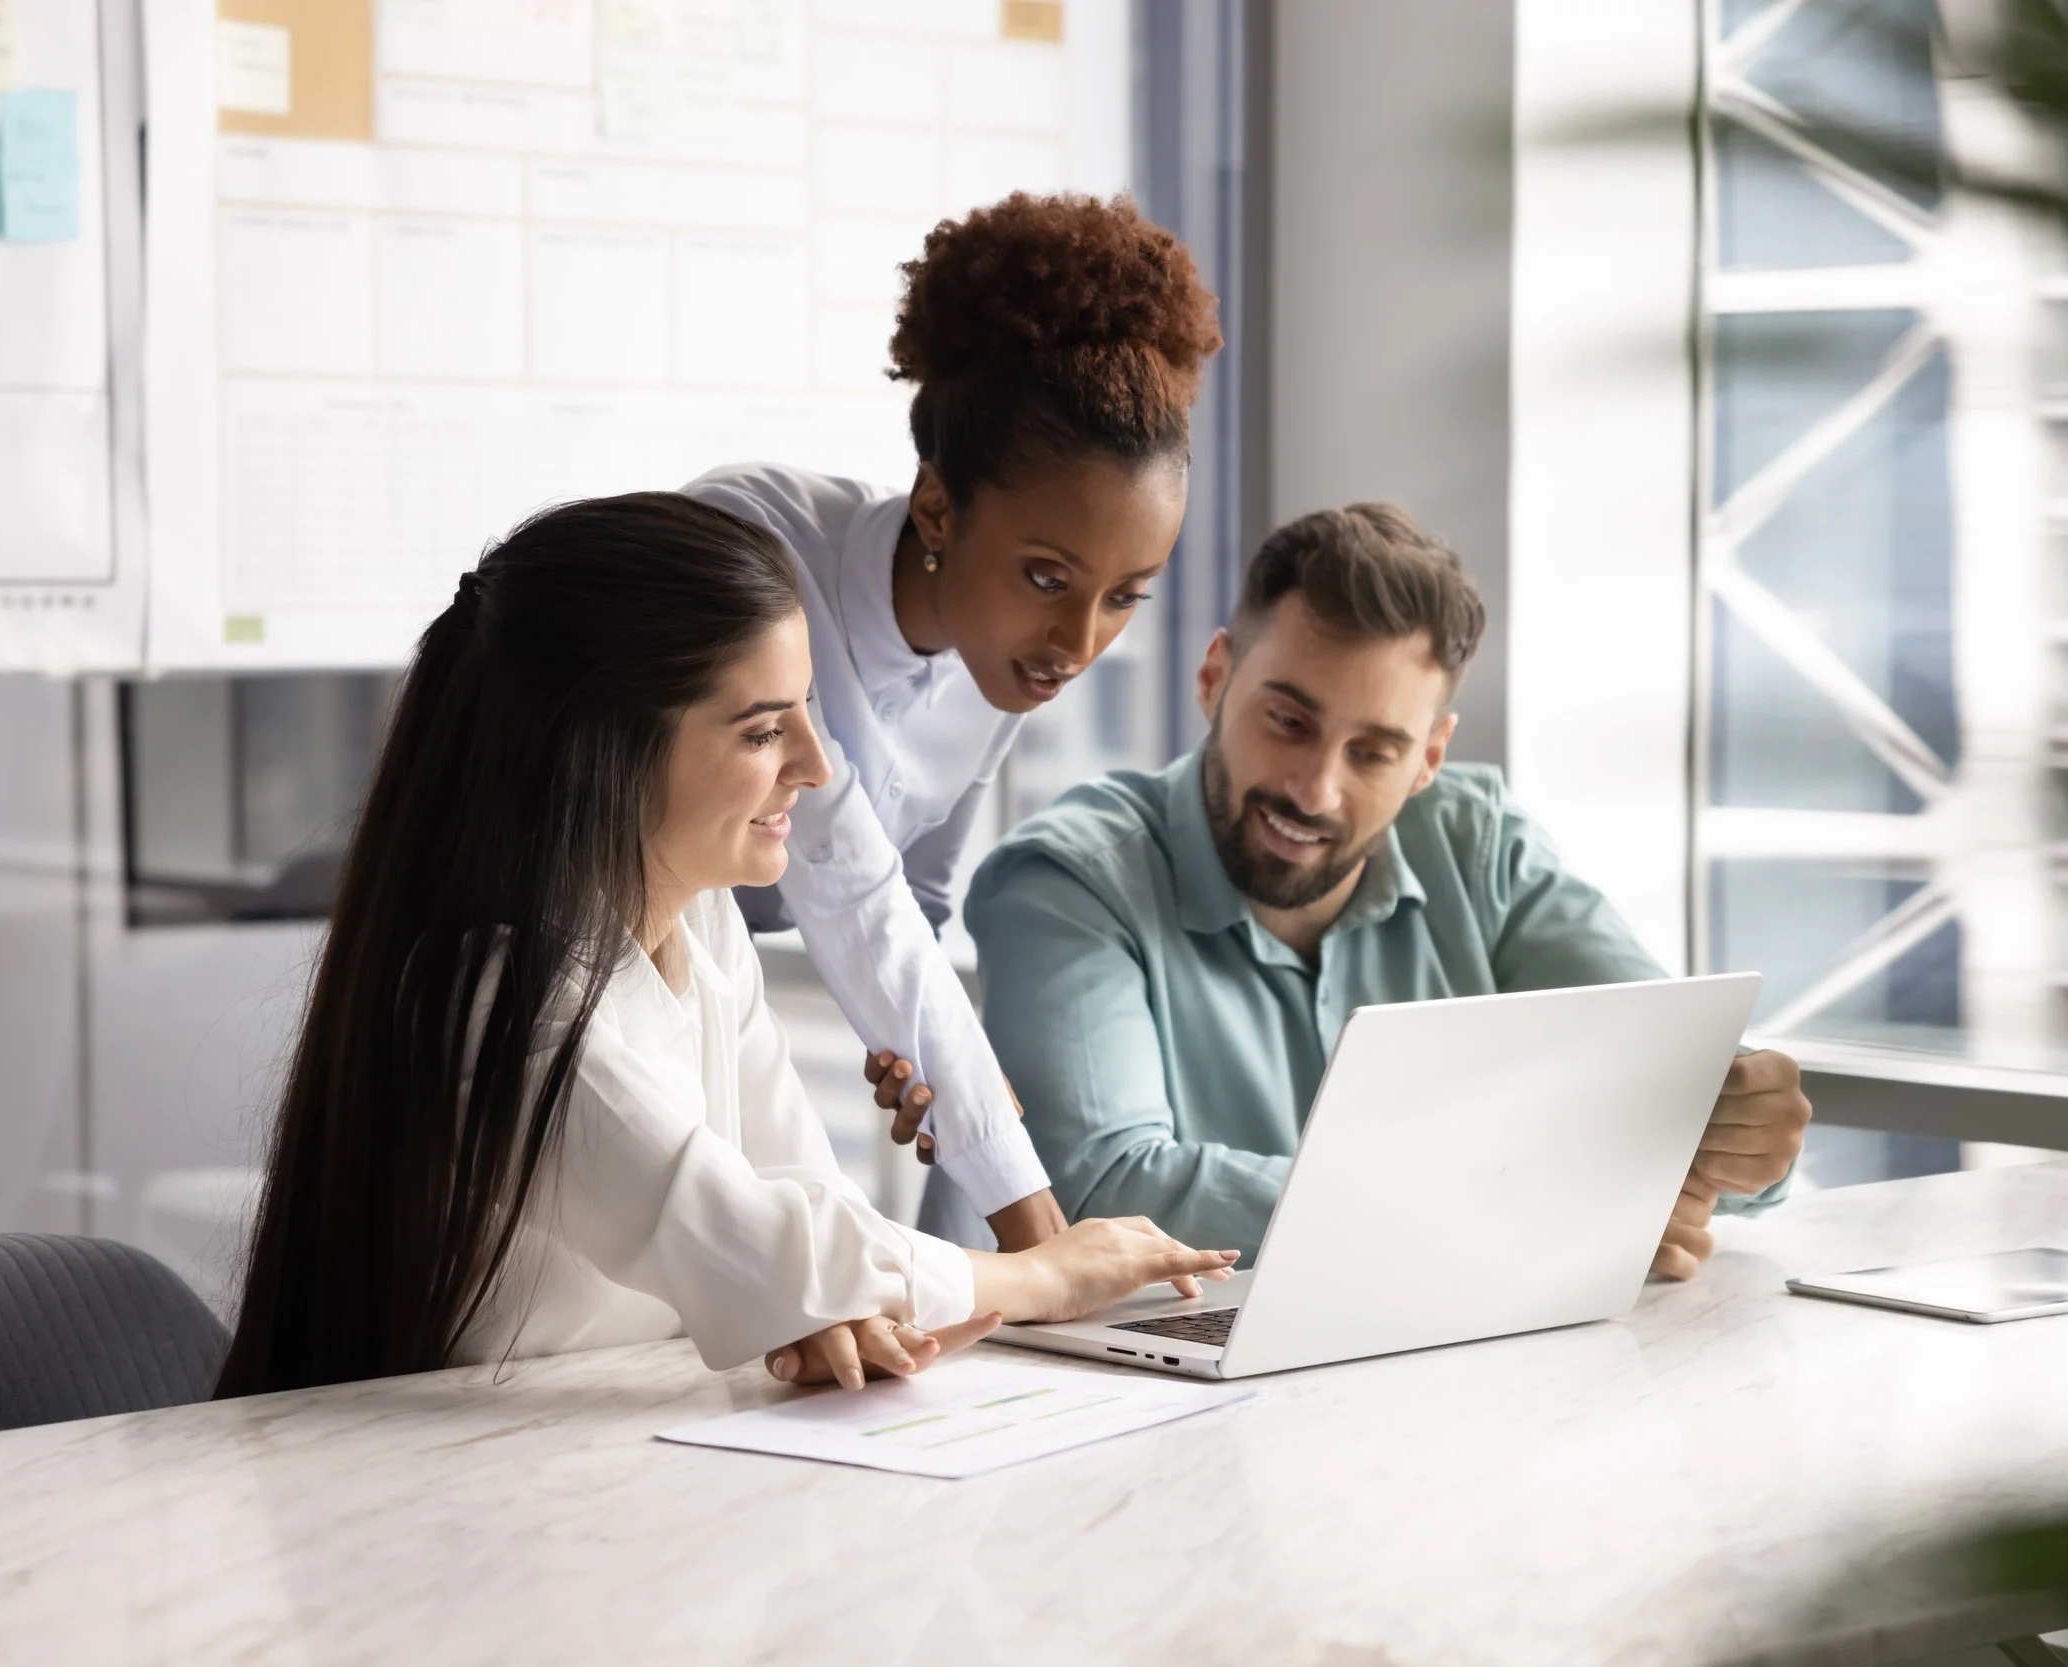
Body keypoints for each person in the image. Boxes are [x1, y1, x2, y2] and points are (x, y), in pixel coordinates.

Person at [215, 493, 1235, 1399]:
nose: (817, 765)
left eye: (808, 713)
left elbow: (798, 1201)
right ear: (601, 753)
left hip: (606, 1465)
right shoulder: (499, 995)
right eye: (759, 731)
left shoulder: (701, 924)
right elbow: (750, 1239)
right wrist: (1037, 1274)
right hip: (439, 1503)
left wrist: (836, 1306)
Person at [872, 503, 1810, 1275]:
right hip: (1081, 1413)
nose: (1314, 788)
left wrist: (1739, 1134)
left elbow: (1671, 1086)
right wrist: (1526, 1210)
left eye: (1375, 751)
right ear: (1213, 679)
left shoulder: (1481, 846)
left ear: (1431, 757)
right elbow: (1111, 1186)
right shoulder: (1066, 879)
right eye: (1288, 719)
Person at [682, 191, 1222, 1254]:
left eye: (1125, 595)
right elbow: (845, 877)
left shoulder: (1001, 661)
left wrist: (912, 1047)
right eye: (1047, 576)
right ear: (937, 508)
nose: (1079, 638)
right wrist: (1044, 1242)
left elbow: (910, 909)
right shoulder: (752, 546)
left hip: (709, 1014)